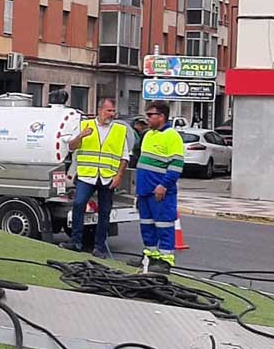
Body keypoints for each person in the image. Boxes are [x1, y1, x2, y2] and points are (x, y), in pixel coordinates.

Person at [60, 98, 129, 259]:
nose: (111, 114)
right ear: (100, 110)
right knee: (78, 204)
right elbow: (71, 147)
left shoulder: (119, 130)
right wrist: (81, 136)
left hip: (107, 177)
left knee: (104, 212)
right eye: (108, 111)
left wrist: (119, 176)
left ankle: (99, 247)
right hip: (87, 175)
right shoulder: (85, 125)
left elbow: (124, 156)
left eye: (113, 111)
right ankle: (76, 242)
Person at [132, 100, 185, 273]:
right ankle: (150, 256)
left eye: (150, 115)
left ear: (161, 116)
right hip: (145, 191)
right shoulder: (148, 135)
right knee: (147, 226)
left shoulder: (172, 136)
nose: (147, 119)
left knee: (164, 225)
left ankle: (165, 260)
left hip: (160, 192)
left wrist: (164, 186)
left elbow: (176, 165)